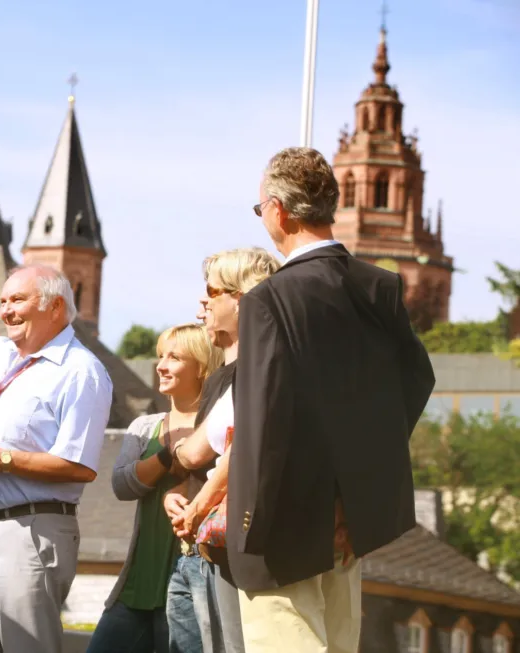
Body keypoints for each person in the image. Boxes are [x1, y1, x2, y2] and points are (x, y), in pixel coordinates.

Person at [228, 147, 435, 653]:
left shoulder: (269, 299)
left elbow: (264, 418)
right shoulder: (379, 286)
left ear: (278, 211)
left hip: (282, 523)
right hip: (351, 521)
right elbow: (416, 380)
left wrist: (249, 525)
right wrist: (356, 493)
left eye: (260, 209)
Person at [0, 264, 113, 653]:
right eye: (2, 301)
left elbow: (81, 467)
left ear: (55, 306)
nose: (6, 311)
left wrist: (4, 460)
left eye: (17, 300)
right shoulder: (10, 358)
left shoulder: (81, 372)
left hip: (31, 531)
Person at [166, 248, 280, 653]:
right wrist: (177, 494)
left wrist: (197, 505)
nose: (203, 301)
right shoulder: (223, 377)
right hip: (204, 545)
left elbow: (220, 451)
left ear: (243, 299)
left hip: (234, 541)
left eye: (213, 291)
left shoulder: (262, 369)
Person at [87, 324, 222, 653]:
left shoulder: (217, 430)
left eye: (174, 357)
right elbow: (122, 486)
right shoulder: (146, 425)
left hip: (191, 588)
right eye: (161, 356)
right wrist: (167, 455)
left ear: (201, 367)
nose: (160, 366)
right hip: (138, 583)